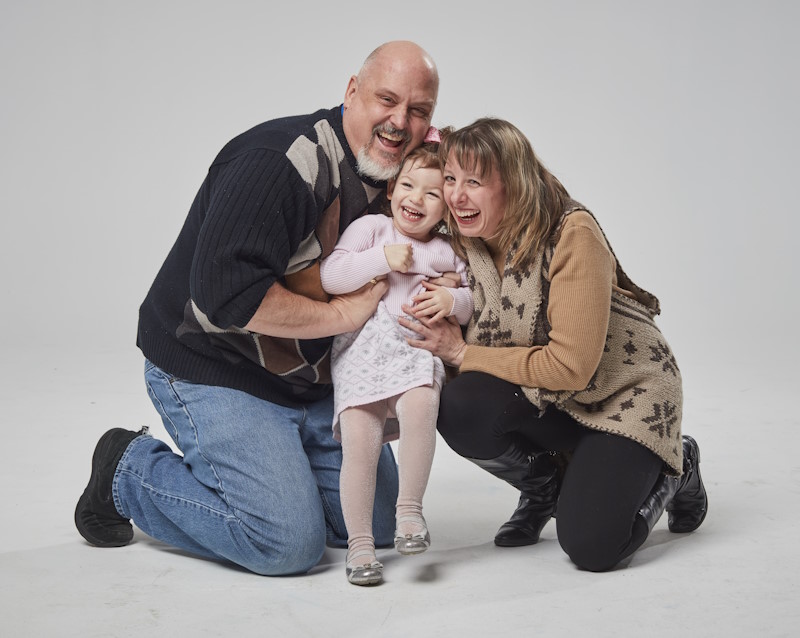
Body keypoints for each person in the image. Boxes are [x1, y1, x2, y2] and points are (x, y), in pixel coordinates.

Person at [74, 41, 440, 576]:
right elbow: (225, 298)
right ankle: (126, 471)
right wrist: (342, 317)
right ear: (351, 91)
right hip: (214, 364)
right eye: (387, 100)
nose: (399, 121)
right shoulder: (277, 163)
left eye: (419, 111)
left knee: (380, 522)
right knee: (285, 543)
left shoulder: (403, 181)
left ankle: (279, 471)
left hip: (308, 381)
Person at [400, 118, 708, 572]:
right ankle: (545, 488)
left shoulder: (571, 234)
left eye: (474, 182)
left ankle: (676, 465)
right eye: (450, 179)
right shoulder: (467, 237)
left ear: (515, 185)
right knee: (458, 405)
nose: (455, 196)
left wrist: (463, 353)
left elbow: (570, 368)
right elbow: (404, 213)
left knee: (592, 546)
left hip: (622, 395)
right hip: (553, 400)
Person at [319, 131, 473, 585]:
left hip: (412, 353)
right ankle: (360, 546)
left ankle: (409, 511)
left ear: (445, 208)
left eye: (431, 193)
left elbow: (470, 298)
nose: (416, 199)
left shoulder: (445, 251)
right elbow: (332, 275)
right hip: (362, 357)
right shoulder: (373, 230)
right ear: (391, 190)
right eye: (408, 185)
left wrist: (451, 301)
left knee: (423, 403)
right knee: (360, 449)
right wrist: (383, 259)